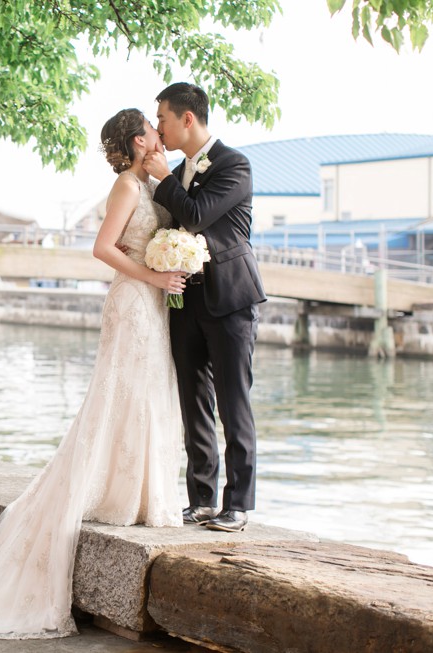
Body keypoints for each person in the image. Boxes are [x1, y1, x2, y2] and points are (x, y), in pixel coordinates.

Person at [0, 109, 187, 640]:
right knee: (123, 394)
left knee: (149, 393)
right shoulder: (126, 186)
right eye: (150, 129)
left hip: (154, 301)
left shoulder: (153, 186)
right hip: (133, 301)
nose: (158, 135)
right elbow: (103, 247)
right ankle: (119, 495)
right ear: (135, 140)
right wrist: (152, 274)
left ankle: (145, 495)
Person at [142, 83, 267, 533]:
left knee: (234, 402)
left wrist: (164, 180)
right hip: (184, 297)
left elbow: (195, 216)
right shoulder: (178, 170)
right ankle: (201, 499)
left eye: (163, 119)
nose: (159, 128)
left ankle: (238, 504)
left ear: (187, 119)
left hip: (231, 300)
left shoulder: (235, 164)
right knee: (193, 401)